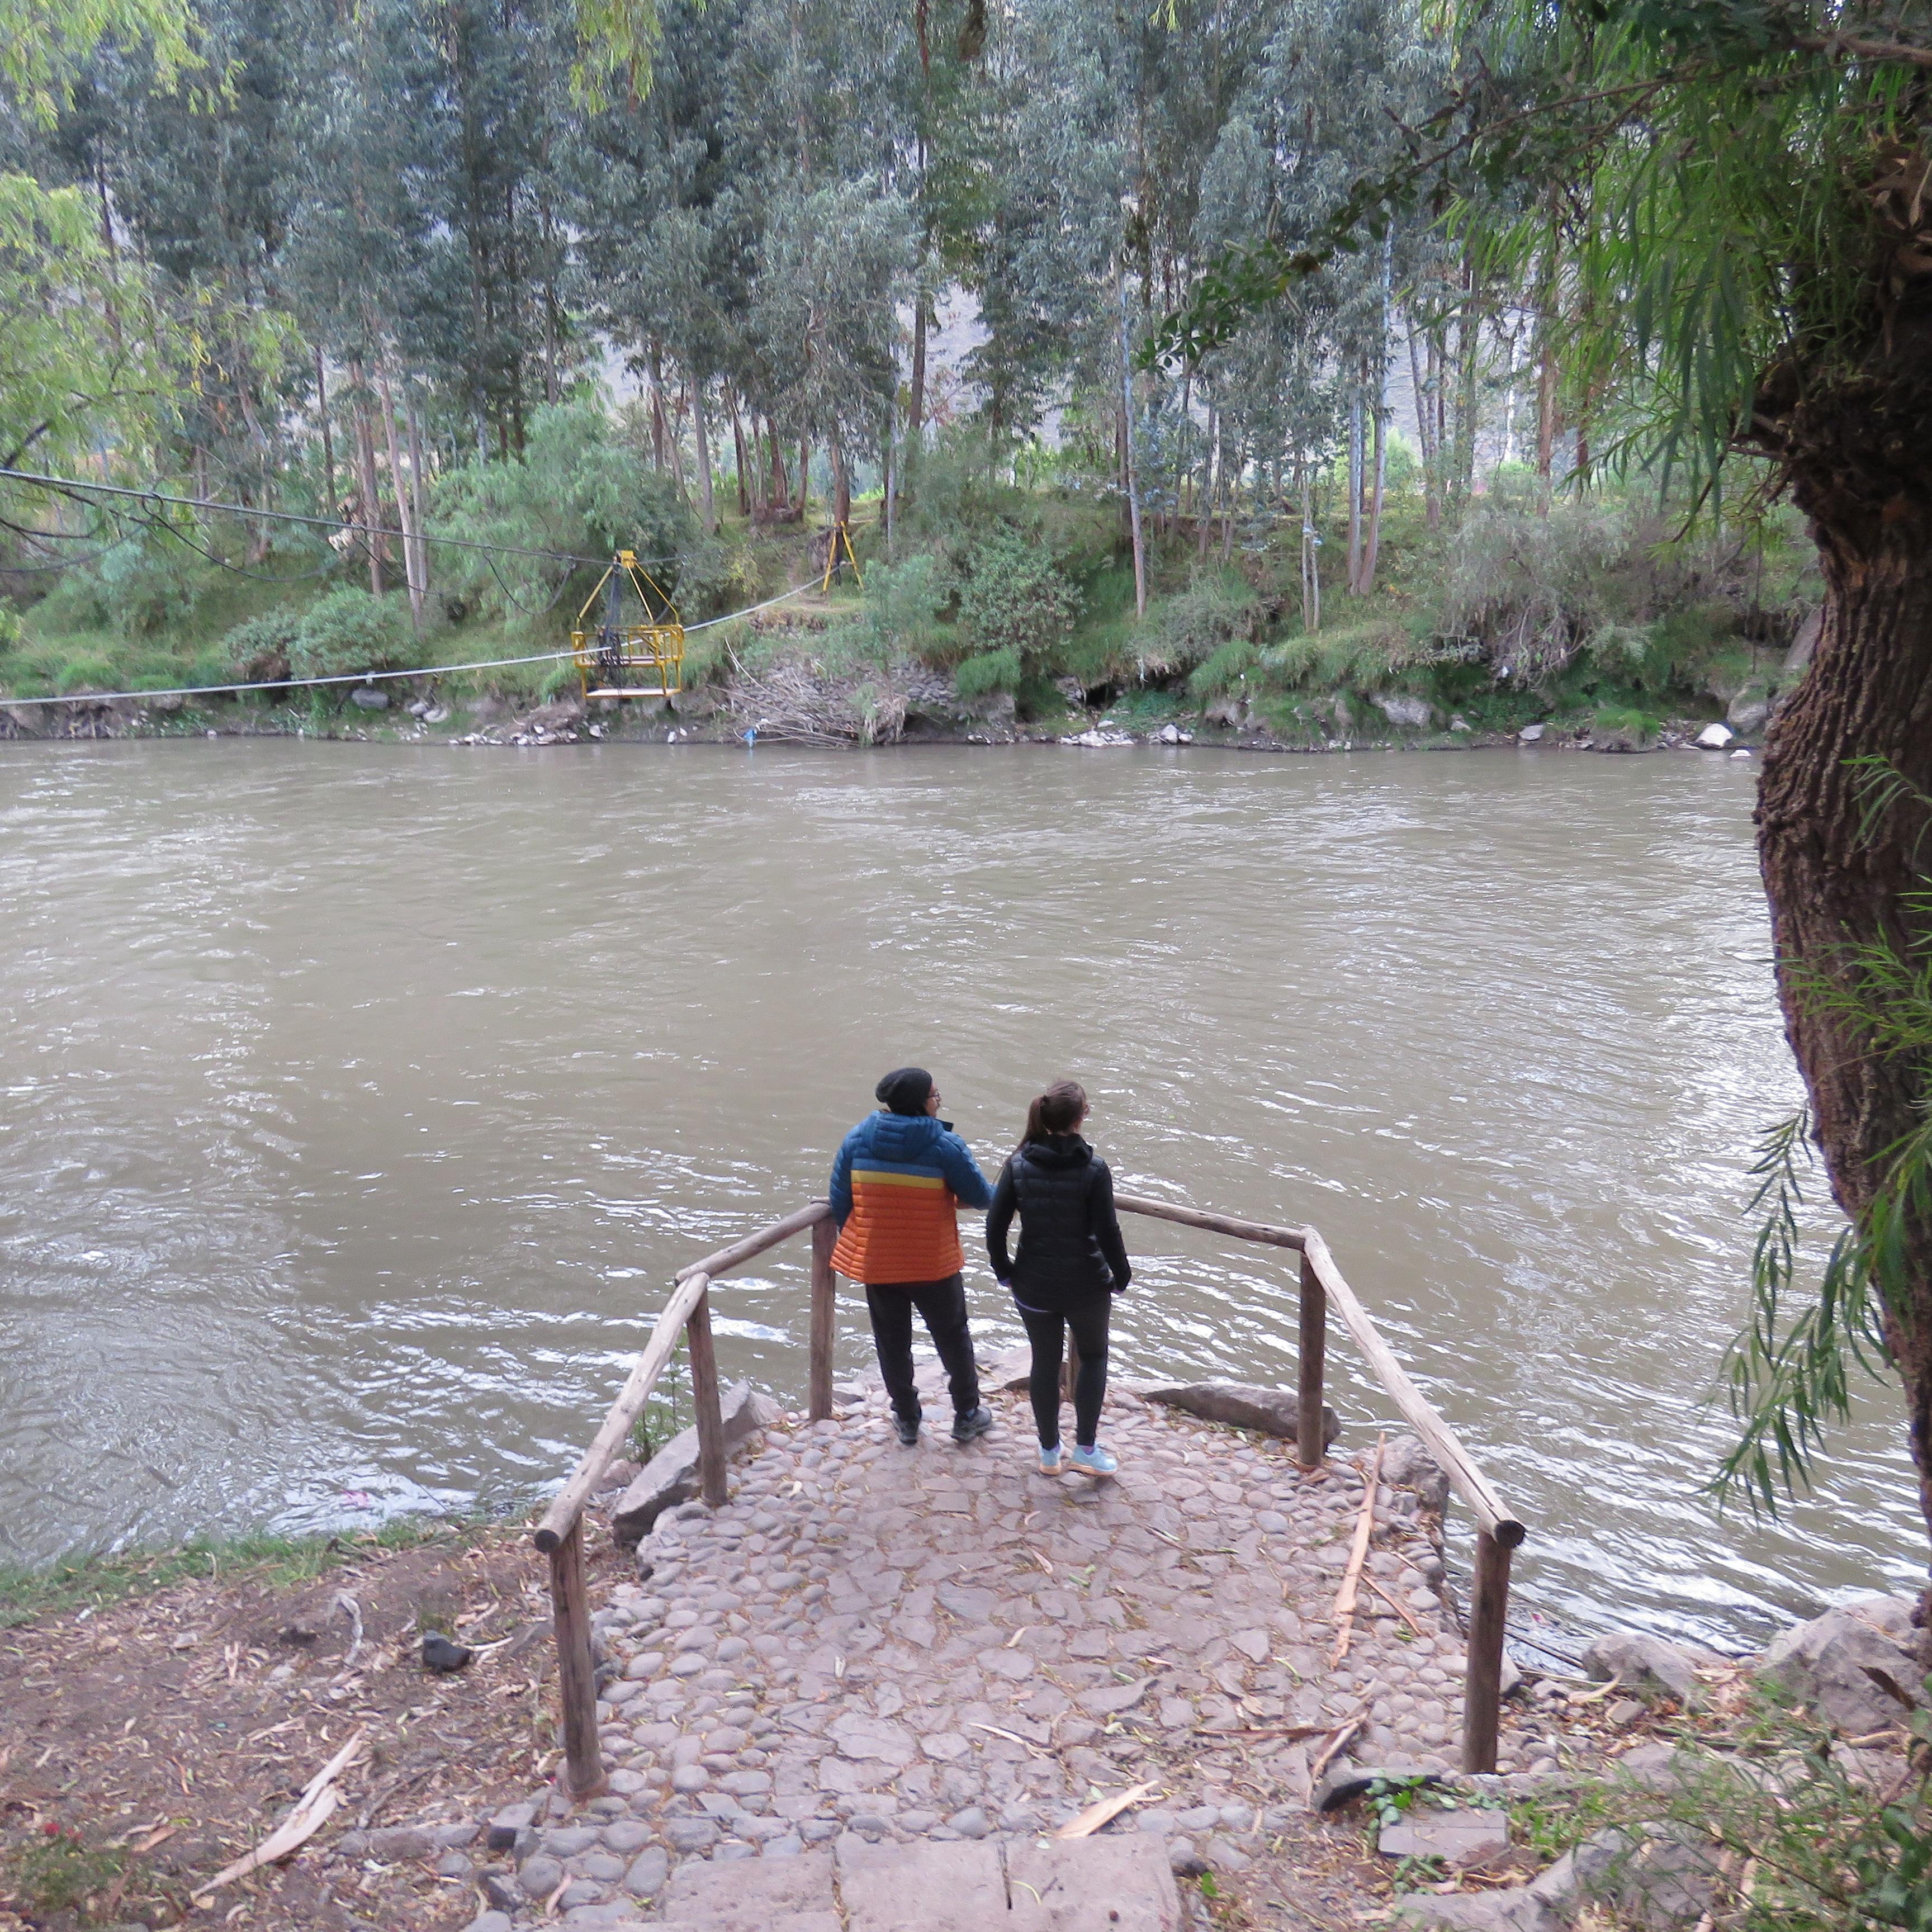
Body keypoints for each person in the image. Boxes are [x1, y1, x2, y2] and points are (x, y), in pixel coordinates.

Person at [829, 1066, 997, 1447]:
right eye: (936, 1096)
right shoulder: (944, 1147)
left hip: (879, 1263)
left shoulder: (856, 1141)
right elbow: (981, 1197)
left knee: (891, 1342)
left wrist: (874, 1238)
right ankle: (967, 1414)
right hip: (933, 1263)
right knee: (953, 1338)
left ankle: (906, 1418)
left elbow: (842, 1205)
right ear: (922, 1103)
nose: (939, 1102)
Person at [986, 1079, 1131, 1476]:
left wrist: (1005, 1273)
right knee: (1094, 1357)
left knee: (1045, 1363)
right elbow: (1108, 1231)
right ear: (1082, 1117)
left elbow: (995, 1227)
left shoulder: (1017, 1165)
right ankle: (1086, 1448)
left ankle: (1050, 1451)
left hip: (1033, 1283)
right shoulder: (1094, 1169)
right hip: (1087, 1284)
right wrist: (1121, 1276)